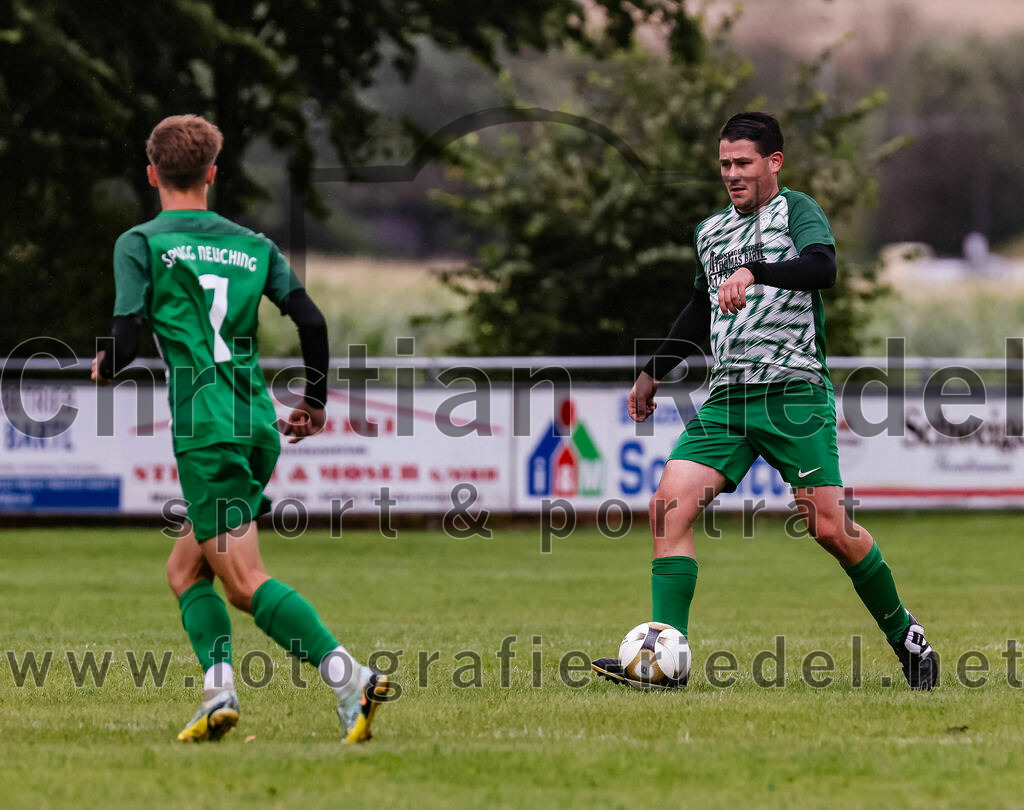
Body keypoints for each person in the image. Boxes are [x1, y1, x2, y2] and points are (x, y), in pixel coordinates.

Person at [591, 112, 938, 690]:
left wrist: (755, 271)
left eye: (743, 162)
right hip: (729, 398)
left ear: (773, 162)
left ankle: (905, 632)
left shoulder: (797, 210)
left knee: (828, 526)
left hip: (793, 394)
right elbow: (700, 312)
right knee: (668, 509)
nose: (732, 173)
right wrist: (652, 371)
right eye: (724, 164)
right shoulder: (710, 232)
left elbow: (821, 268)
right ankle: (662, 663)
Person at [92, 114, 392, 742]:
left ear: (151, 173)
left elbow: (124, 341)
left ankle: (351, 677)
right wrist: (312, 402)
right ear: (212, 174)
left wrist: (102, 365)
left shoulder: (140, 242)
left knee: (245, 583)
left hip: (207, 429)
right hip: (255, 422)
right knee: (186, 572)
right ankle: (218, 692)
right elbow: (311, 321)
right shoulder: (253, 244)